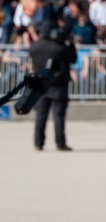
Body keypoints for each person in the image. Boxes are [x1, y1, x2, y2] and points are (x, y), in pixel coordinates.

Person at [29, 21, 77, 152]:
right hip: (59, 85)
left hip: (41, 85)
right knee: (59, 116)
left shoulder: (34, 46)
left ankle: (38, 143)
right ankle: (60, 143)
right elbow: (73, 58)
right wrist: (70, 43)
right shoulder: (60, 47)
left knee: (40, 116)